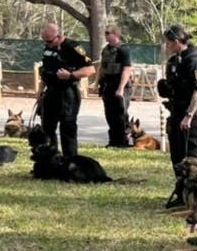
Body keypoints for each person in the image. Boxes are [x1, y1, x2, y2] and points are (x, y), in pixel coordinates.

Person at [159, 25, 197, 207]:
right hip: (176, 113)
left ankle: (195, 197)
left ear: (177, 42)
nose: (167, 46)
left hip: (190, 117)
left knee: (190, 160)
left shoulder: (194, 61)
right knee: (177, 159)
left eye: (168, 42)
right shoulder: (174, 61)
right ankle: (181, 195)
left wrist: (189, 115)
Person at [37, 22, 95, 158]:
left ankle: (70, 160)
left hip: (67, 92)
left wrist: (71, 75)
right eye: (45, 41)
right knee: (47, 126)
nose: (47, 43)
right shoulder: (48, 48)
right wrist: (40, 90)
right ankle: (51, 158)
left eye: (49, 41)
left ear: (59, 36)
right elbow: (45, 71)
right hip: (51, 91)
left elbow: (90, 69)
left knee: (67, 126)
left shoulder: (72, 47)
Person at [98, 24, 134, 148]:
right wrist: (98, 81)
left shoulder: (123, 49)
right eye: (105, 33)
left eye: (108, 33)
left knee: (120, 114)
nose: (106, 35)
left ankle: (122, 141)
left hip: (120, 85)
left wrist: (121, 88)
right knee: (110, 114)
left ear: (116, 34)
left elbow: (127, 69)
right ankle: (113, 141)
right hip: (108, 85)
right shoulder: (106, 49)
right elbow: (102, 67)